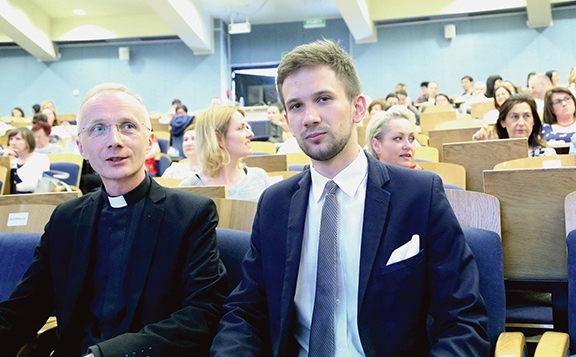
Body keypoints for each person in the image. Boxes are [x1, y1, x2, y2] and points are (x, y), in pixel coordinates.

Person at [211, 40, 489, 355]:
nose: (310, 117)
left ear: (358, 108)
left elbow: (463, 321)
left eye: (324, 99)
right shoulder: (275, 203)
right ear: (287, 120)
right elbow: (246, 310)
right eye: (296, 106)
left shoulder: (419, 195)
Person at [0, 83, 227, 356]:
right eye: (98, 128)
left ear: (150, 141)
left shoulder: (191, 214)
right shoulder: (66, 218)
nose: (114, 140)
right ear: (81, 147)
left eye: (128, 126)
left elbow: (203, 312)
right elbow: (26, 307)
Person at [180, 106, 269, 202]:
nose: (251, 134)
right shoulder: (189, 188)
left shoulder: (259, 178)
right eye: (240, 128)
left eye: (246, 127)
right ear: (218, 138)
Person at [473, 93, 557, 157]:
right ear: (503, 122)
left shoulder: (547, 154)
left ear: (534, 121)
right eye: (515, 117)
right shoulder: (493, 155)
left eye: (526, 116)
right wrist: (481, 149)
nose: (521, 123)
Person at [365, 106, 423, 170]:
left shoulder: (426, 178)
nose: (408, 146)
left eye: (411, 139)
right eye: (398, 138)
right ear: (376, 146)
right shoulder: (364, 178)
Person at [1, 127, 50, 192]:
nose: (13, 143)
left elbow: (36, 184)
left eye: (18, 139)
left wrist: (11, 187)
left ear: (28, 141)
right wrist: (4, 160)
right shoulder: (13, 162)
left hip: (31, 198)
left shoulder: (40, 159)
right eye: (11, 139)